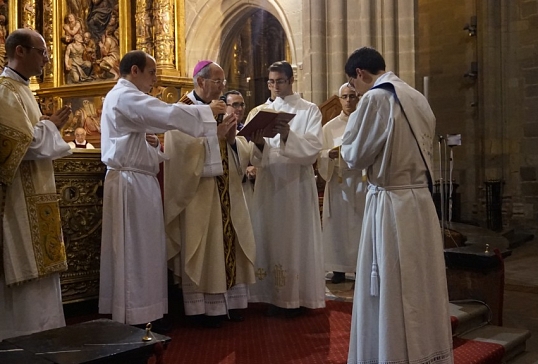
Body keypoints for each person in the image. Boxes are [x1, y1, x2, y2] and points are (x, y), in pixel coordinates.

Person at [341, 47, 453, 363]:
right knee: (421, 284)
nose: (355, 92)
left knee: (390, 288)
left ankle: (391, 354)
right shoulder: (416, 97)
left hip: (390, 204)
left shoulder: (377, 98)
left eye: (353, 84)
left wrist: (353, 122)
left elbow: (354, 154)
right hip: (420, 203)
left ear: (359, 74)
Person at [98, 50, 226, 326]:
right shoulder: (124, 95)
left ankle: (145, 313)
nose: (155, 80)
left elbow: (140, 132)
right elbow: (164, 113)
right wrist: (206, 112)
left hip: (138, 181)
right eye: (152, 73)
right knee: (136, 251)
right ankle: (136, 315)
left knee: (145, 250)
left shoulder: (124, 97)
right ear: (135, 71)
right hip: (130, 184)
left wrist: (151, 145)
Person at [164, 61, 256, 328]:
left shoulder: (217, 108)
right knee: (205, 247)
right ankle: (204, 309)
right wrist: (214, 135)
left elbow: (235, 148)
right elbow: (179, 152)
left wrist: (228, 139)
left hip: (226, 190)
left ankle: (231, 302)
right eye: (217, 82)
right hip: (198, 195)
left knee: (229, 240)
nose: (221, 88)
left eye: (223, 82)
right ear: (200, 82)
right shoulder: (183, 109)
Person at [0, 29, 72, 340]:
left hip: (38, 198)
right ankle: (23, 342)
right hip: (17, 202)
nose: (46, 58)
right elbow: (22, 147)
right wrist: (50, 126)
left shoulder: (23, 90)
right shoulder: (5, 92)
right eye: (41, 51)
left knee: (43, 274)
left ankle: (47, 338)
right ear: (20, 51)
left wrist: (48, 127)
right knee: (24, 275)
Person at [246, 61, 325, 317]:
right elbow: (254, 155)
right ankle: (268, 294)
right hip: (269, 181)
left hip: (295, 184)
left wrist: (288, 134)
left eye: (280, 81)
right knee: (268, 235)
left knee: (295, 238)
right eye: (270, 82)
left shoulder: (309, 110)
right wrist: (257, 144)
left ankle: (295, 297)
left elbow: (313, 148)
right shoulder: (260, 110)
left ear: (291, 81)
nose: (275, 87)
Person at [317, 83, 365, 284]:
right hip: (338, 182)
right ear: (338, 99)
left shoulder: (365, 123)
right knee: (337, 226)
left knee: (359, 225)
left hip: (361, 180)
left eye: (352, 96)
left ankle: (360, 266)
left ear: (358, 98)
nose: (348, 101)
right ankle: (338, 268)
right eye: (344, 97)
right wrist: (329, 154)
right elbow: (319, 153)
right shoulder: (329, 127)